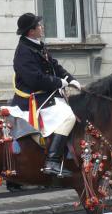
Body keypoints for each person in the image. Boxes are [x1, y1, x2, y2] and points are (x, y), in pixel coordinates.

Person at [9, 13, 80, 177]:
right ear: (31, 31)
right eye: (39, 25)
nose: (42, 27)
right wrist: (59, 83)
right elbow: (35, 80)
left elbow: (55, 66)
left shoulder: (37, 45)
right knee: (69, 116)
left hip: (46, 94)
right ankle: (52, 161)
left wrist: (70, 79)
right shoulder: (23, 53)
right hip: (33, 98)